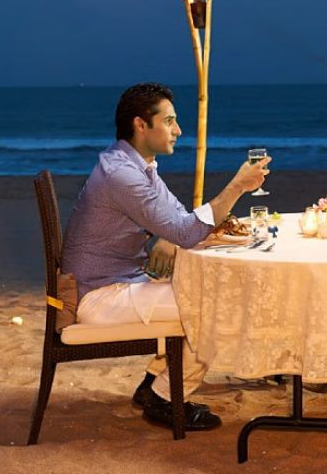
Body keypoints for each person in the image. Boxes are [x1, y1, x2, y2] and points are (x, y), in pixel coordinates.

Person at [61, 82, 270, 431]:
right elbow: (186, 232)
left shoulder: (136, 165)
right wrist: (237, 187)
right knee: (219, 305)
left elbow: (180, 224)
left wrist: (172, 238)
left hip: (119, 281)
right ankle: (165, 399)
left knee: (207, 289)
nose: (179, 130)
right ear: (141, 125)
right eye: (169, 121)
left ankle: (153, 386)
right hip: (99, 296)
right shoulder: (122, 176)